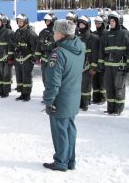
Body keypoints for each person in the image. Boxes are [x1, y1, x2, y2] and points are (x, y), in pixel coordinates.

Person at [43, 19, 85, 172]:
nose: (53, 34)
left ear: (61, 34)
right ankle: (70, 161)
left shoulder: (58, 53)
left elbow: (53, 82)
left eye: (55, 32)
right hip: (73, 97)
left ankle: (61, 161)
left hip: (61, 99)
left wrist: (48, 100)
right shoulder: (80, 48)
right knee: (70, 130)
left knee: (60, 131)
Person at [98, 11, 129, 116]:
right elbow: (101, 51)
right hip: (108, 66)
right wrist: (100, 64)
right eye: (110, 21)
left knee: (119, 87)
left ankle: (118, 109)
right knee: (109, 87)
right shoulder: (106, 34)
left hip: (120, 67)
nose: (111, 23)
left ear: (118, 21)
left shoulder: (125, 33)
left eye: (113, 21)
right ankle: (110, 108)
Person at [12, 14, 38, 101]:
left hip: (27, 58)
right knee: (19, 77)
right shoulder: (17, 32)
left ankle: (27, 94)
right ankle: (22, 93)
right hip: (18, 58)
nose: (19, 23)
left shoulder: (30, 32)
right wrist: (16, 47)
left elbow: (35, 45)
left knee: (26, 77)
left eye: (21, 21)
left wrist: (34, 56)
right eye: (18, 21)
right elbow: (13, 42)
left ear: (25, 22)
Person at [77, 15, 100, 111]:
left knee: (86, 85)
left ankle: (85, 103)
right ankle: (78, 102)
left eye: (83, 24)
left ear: (87, 25)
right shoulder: (76, 37)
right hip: (77, 66)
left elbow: (96, 54)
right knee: (78, 85)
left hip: (88, 66)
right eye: (80, 24)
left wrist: (93, 67)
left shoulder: (93, 38)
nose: (81, 26)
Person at [0, 13, 14, 98]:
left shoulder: (8, 32)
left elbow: (11, 46)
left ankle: (6, 91)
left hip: (5, 58)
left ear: (3, 22)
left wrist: (10, 57)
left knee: (5, 76)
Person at [35, 13, 57, 87]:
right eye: (46, 21)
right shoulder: (42, 32)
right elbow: (38, 45)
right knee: (45, 79)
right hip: (44, 59)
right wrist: (37, 58)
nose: (47, 22)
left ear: (53, 21)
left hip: (54, 60)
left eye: (49, 21)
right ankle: (47, 96)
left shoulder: (57, 32)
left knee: (53, 78)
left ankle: (54, 97)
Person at [92, 16, 107, 104]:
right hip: (94, 58)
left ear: (103, 23)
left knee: (102, 80)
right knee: (95, 79)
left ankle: (103, 98)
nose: (97, 25)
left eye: (99, 23)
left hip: (103, 60)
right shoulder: (94, 33)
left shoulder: (106, 34)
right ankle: (96, 97)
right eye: (96, 23)